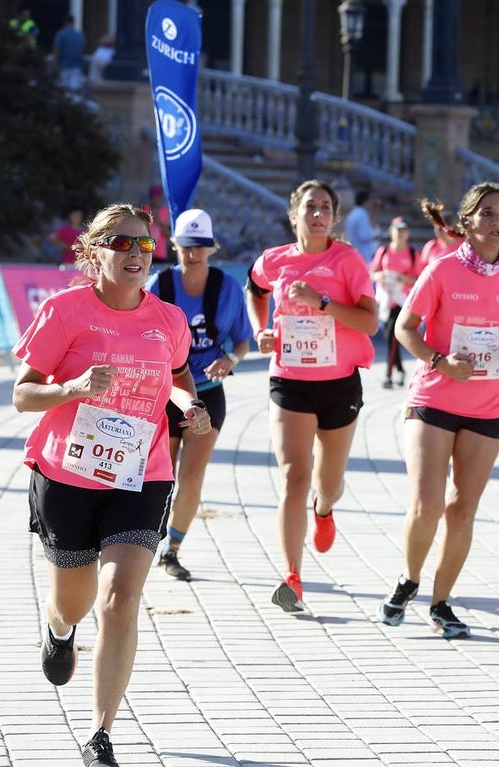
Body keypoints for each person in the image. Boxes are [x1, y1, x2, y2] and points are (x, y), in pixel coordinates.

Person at [11, 203, 209, 766]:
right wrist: (71, 388)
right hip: (68, 475)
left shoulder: (167, 319)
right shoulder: (64, 311)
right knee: (73, 603)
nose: (135, 254)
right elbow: (22, 395)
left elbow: (177, 375)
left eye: (144, 245)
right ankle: (58, 625)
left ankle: (100, 733)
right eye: (121, 244)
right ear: (94, 250)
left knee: (120, 600)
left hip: (139, 474)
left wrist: (189, 404)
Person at [375, 184, 499, 639]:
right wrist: (441, 361)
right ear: (467, 222)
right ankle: (409, 578)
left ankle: (441, 603)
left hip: (488, 406)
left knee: (463, 510)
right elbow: (405, 328)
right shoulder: (442, 271)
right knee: (428, 505)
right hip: (434, 401)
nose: (496, 221)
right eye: (487, 213)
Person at [247, 179, 379, 613]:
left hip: (339, 383)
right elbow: (255, 287)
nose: (318, 213)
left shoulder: (347, 261)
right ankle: (292, 575)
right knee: (293, 477)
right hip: (290, 379)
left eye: (325, 207)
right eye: (310, 206)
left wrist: (323, 303)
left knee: (327, 482)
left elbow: (369, 323)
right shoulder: (275, 260)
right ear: (294, 214)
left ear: (335, 217)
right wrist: (260, 330)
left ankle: (324, 510)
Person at [148, 209, 254, 582]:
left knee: (192, 475)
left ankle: (172, 549)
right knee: (159, 475)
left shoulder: (226, 287)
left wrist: (229, 359)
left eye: (200, 247)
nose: (192, 254)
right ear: (174, 245)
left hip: (207, 392)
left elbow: (243, 339)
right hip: (164, 393)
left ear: (211, 248)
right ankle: (147, 539)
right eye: (186, 247)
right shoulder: (158, 285)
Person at [370, 216, 419, 388]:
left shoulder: (413, 253)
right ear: (392, 232)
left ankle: (389, 374)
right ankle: (400, 369)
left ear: (408, 233)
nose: (400, 234)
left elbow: (419, 280)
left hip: (403, 301)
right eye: (397, 230)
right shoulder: (384, 251)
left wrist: (402, 278)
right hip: (386, 298)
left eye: (403, 231)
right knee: (389, 335)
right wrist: (381, 275)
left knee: (392, 334)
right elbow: (373, 272)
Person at [51, 15, 86, 92]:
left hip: (64, 66)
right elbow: (82, 52)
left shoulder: (60, 34)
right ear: (73, 23)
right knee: (75, 91)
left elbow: (56, 50)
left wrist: (54, 65)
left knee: (64, 91)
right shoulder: (80, 35)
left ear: (65, 22)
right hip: (77, 66)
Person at [345, 190, 380, 261]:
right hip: (362, 255)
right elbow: (364, 237)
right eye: (370, 200)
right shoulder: (362, 215)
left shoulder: (353, 213)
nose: (371, 203)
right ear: (365, 201)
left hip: (353, 252)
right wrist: (378, 237)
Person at [146, 186, 172, 264]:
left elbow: (168, 235)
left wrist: (158, 221)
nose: (155, 200)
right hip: (146, 251)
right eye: (153, 197)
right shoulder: (145, 210)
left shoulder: (164, 212)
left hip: (160, 254)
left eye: (157, 197)